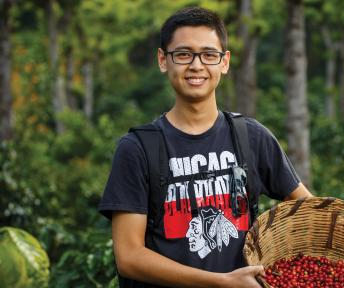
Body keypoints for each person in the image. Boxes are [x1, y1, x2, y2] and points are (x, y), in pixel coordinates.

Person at [98, 6, 313, 288]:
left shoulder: (251, 137)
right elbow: (129, 256)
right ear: (164, 60)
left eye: (209, 55)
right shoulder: (137, 148)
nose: (197, 65)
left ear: (224, 62)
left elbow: (310, 212)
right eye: (183, 54)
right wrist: (221, 282)